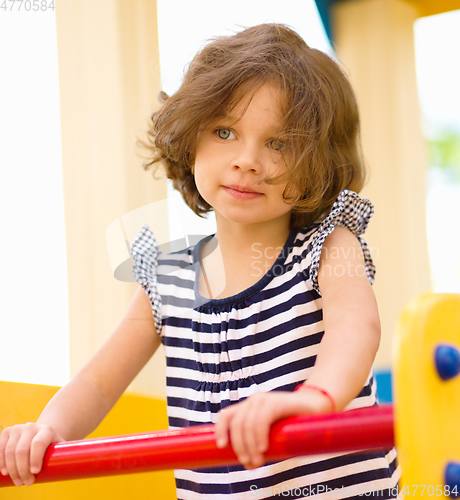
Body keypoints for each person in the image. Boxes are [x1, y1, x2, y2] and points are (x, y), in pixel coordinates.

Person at [0, 23, 400, 499]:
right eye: (225, 131)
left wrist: (315, 400)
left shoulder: (327, 246)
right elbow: (97, 383)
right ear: (191, 138)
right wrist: (49, 430)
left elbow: (355, 329)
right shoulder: (166, 278)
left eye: (280, 143)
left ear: (320, 161)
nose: (248, 160)